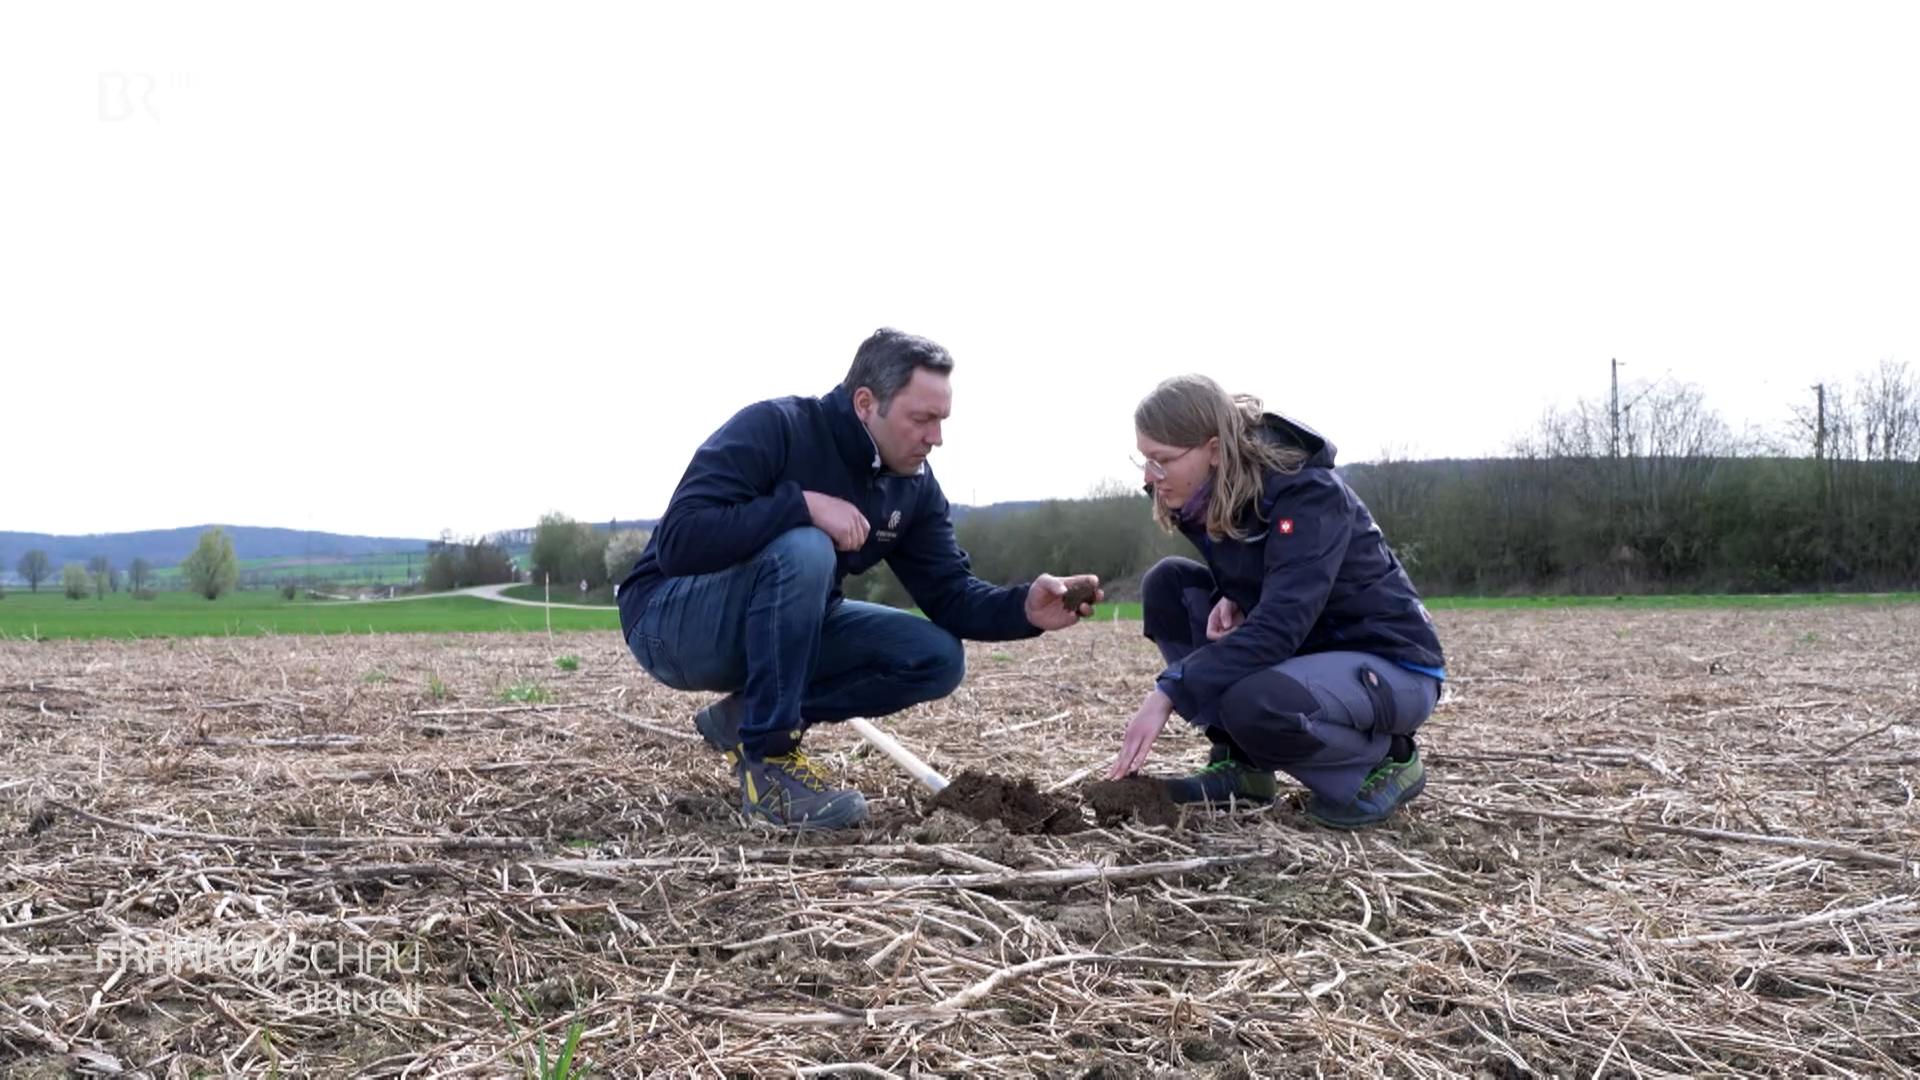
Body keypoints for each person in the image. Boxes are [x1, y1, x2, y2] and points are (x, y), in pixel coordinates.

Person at [618, 328, 1102, 830]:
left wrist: (1024, 608)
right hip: (671, 622)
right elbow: (680, 540)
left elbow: (951, 594)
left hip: (788, 625)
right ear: (867, 403)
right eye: (922, 419)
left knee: (937, 658)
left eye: (941, 420)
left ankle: (745, 718)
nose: (936, 437)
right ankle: (768, 766)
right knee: (805, 545)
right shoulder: (776, 427)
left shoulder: (911, 485)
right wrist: (800, 505)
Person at [1107, 374, 1445, 828]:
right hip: (1309, 652)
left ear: (1213, 449)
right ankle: (1244, 766)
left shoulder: (1308, 495)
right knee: (1168, 585)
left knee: (1257, 704)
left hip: (1390, 664)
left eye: (1163, 460)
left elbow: (1282, 626)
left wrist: (1169, 690)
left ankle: (1388, 760)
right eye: (1145, 460)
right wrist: (1236, 592)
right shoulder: (1204, 498)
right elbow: (1268, 573)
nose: (1151, 477)